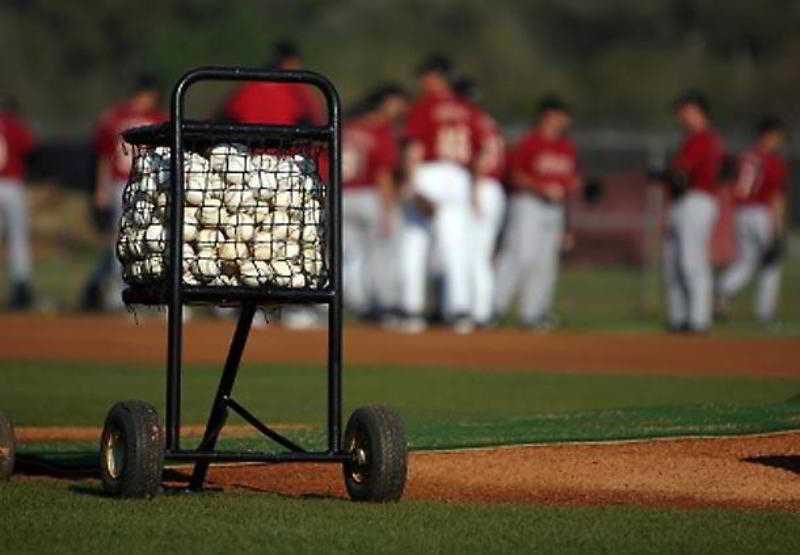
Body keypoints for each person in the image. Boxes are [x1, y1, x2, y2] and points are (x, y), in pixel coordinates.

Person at [222, 40, 325, 329]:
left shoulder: (245, 87)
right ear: (287, 63)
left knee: (247, 240)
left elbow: (221, 121)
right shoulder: (298, 90)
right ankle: (293, 306)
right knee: (290, 240)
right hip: (284, 168)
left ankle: (248, 306)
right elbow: (315, 128)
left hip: (245, 169)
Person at [398, 54, 481, 334]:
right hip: (458, 176)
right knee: (456, 247)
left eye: (426, 75)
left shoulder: (424, 106)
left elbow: (414, 148)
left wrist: (412, 184)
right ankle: (459, 312)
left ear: (436, 77)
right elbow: (478, 153)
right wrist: (473, 188)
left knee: (415, 243)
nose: (423, 80)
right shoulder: (466, 109)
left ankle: (412, 311)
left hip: (430, 172)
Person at [81, 74, 167, 311]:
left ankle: (146, 288)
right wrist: (102, 187)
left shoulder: (157, 117)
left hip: (149, 182)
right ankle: (118, 290)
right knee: (120, 237)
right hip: (121, 182)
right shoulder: (115, 117)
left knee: (150, 237)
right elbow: (105, 155)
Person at [493, 95, 579, 329]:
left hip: (555, 209)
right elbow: (516, 175)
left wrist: (569, 225)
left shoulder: (566, 146)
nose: (563, 121)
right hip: (528, 204)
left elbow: (572, 182)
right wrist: (541, 187)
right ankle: (493, 307)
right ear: (547, 115)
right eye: (559, 115)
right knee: (521, 256)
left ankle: (534, 312)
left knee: (546, 263)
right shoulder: (529, 142)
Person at [341, 84, 408, 319]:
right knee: (380, 253)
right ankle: (381, 304)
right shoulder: (381, 131)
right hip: (370, 197)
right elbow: (383, 175)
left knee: (345, 254)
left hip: (341, 197)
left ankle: (343, 302)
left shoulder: (346, 127)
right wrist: (389, 211)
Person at [661, 90, 724, 333]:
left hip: (697, 201)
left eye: (685, 111)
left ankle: (699, 320)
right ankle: (679, 319)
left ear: (699, 112)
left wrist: (666, 174)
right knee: (673, 263)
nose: (681, 117)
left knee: (691, 262)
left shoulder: (704, 139)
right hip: (681, 203)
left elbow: (682, 174)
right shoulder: (690, 140)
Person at [717, 116, 789, 324]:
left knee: (745, 262)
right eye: (777, 137)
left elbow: (727, 179)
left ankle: (722, 289)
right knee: (770, 264)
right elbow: (776, 196)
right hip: (761, 214)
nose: (779, 142)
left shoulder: (743, 156)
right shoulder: (773, 161)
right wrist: (779, 228)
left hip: (740, 213)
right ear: (769, 135)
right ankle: (765, 314)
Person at [452, 77, 507, 327]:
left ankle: (478, 313)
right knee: (480, 255)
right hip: (494, 188)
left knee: (471, 254)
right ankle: (483, 311)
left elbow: (482, 156)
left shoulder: (469, 120)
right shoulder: (489, 120)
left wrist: (474, 189)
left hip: (481, 186)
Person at [221, 40, 323, 126]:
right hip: (285, 147)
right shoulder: (298, 90)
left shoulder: (247, 86)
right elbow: (317, 120)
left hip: (246, 146)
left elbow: (223, 115)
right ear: (290, 62)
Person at [0, 93, 35, 309]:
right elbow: (30, 149)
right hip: (11, 185)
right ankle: (21, 287)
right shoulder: (14, 125)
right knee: (17, 237)